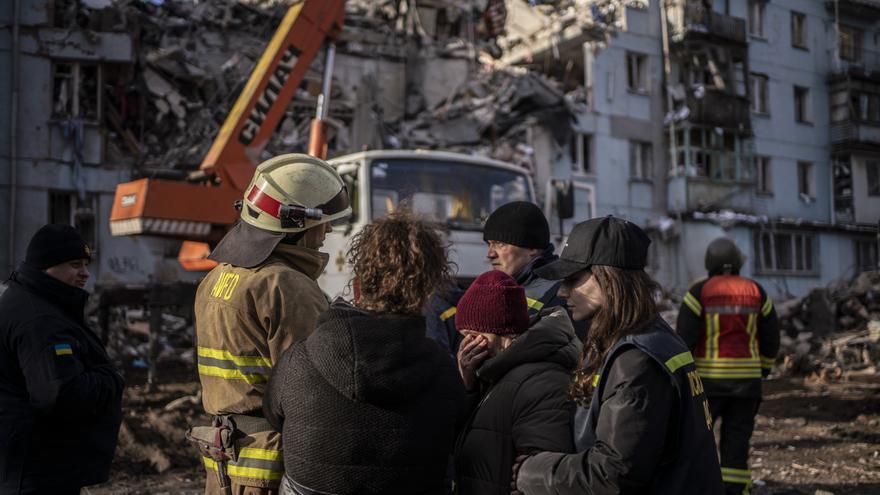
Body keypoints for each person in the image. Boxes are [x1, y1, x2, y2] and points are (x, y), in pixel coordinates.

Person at [514, 216, 724, 495]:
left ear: (610, 279)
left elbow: (613, 473)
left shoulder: (636, 359)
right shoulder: (654, 337)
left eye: (573, 279)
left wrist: (532, 472)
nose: (562, 292)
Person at [263, 212, 466, 495]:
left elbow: (274, 416)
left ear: (357, 287)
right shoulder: (444, 373)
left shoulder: (298, 360)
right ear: (425, 295)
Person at [194, 153, 351, 495]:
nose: (327, 230)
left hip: (225, 460)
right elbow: (316, 389)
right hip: (270, 466)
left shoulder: (216, 278)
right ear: (295, 224)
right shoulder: (286, 286)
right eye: (322, 222)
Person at [0, 224, 124, 494]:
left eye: (86, 264)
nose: (85, 273)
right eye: (74, 264)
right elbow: (61, 393)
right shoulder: (40, 320)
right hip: (38, 472)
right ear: (46, 266)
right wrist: (110, 378)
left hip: (25, 466)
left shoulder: (26, 301)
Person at [454, 270, 579, 494]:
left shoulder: (541, 381)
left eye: (472, 334)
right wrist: (468, 382)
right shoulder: (496, 371)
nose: (467, 344)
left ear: (501, 331)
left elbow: (543, 475)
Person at [676, 237, 780, 495]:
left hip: (707, 386)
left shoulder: (699, 292)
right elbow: (771, 338)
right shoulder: (757, 291)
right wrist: (763, 369)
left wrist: (682, 380)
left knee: (698, 443)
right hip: (747, 387)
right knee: (736, 447)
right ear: (737, 263)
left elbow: (684, 340)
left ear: (709, 263)